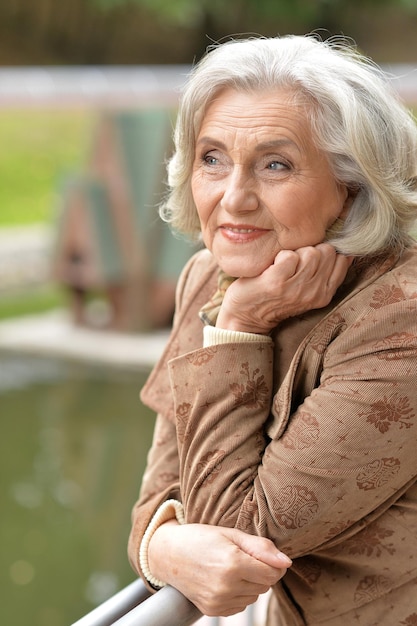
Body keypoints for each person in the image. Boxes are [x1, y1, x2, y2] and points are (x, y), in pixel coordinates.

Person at [128, 34, 417, 626]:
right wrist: (156, 547)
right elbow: (159, 493)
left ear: (351, 185)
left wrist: (239, 325)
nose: (234, 198)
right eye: (212, 158)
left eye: (275, 165)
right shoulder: (209, 273)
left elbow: (234, 537)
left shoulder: (401, 315)